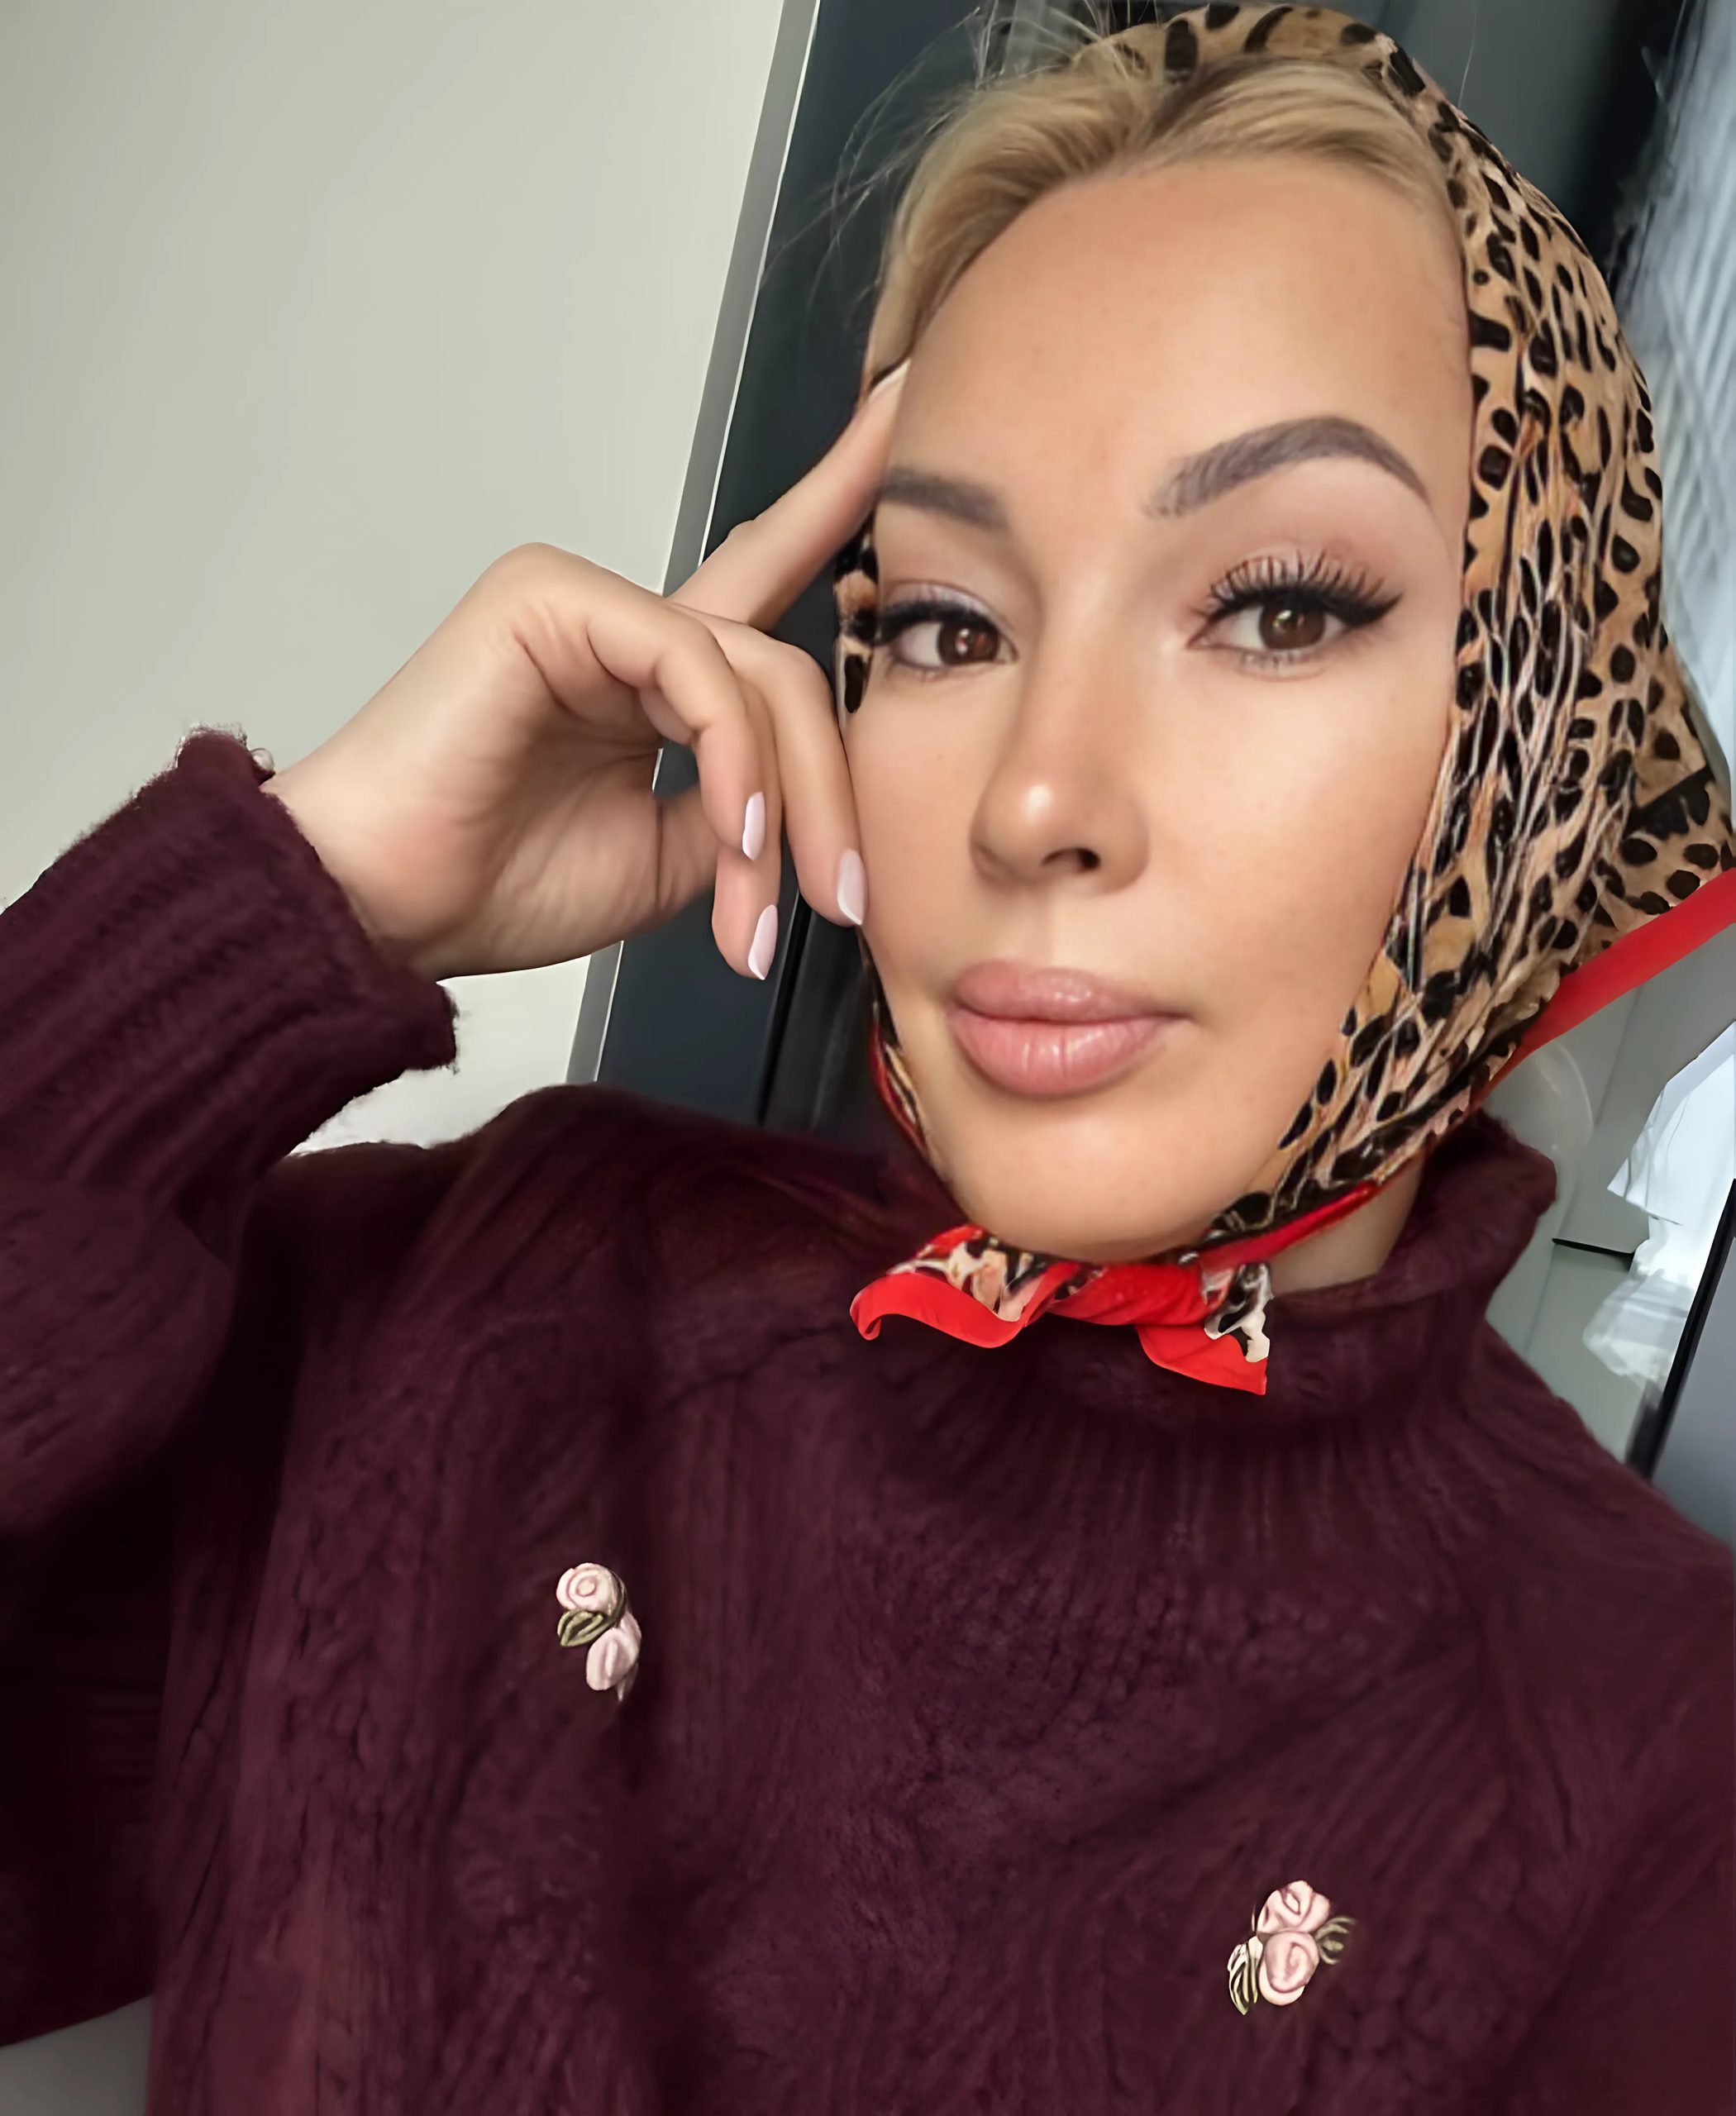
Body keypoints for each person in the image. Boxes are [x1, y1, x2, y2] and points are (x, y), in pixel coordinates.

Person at [2, 5, 1731, 2109]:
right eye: (943, 623)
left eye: (1278, 606)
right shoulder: (494, 1294)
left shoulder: (1664, 1774)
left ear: (1544, 730)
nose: (1032, 798)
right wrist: (291, 902)